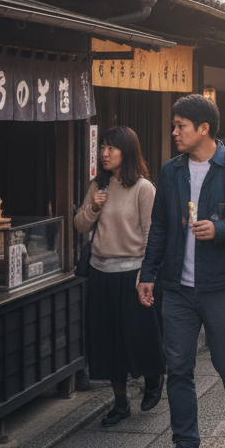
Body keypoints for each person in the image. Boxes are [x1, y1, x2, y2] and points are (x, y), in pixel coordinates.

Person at [137, 95, 225, 448]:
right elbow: (160, 227)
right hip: (177, 286)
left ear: (203, 128)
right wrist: (148, 275)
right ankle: (186, 444)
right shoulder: (171, 170)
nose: (174, 132)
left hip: (221, 284)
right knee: (178, 367)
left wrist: (220, 228)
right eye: (174, 126)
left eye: (181, 126)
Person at [75, 126, 163, 426]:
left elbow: (153, 234)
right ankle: (121, 402)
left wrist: (147, 274)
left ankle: (153, 379)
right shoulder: (98, 185)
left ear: (127, 152)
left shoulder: (143, 188)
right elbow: (80, 226)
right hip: (101, 272)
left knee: (138, 338)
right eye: (102, 147)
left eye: (111, 148)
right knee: (107, 342)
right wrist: (93, 208)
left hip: (133, 274)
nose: (104, 153)